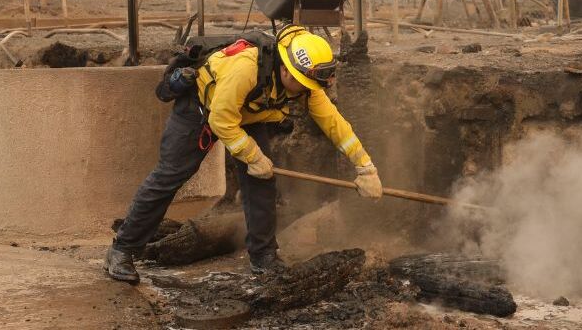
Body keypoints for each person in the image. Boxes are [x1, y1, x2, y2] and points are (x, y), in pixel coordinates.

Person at [105, 25, 382, 283]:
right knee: (170, 176)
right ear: (286, 71)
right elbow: (222, 121)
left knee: (262, 183)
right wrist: (253, 156)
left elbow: (334, 124)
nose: (310, 92)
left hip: (248, 115)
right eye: (304, 85)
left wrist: (365, 167)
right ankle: (122, 250)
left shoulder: (307, 83)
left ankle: (263, 256)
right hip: (202, 109)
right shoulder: (246, 68)